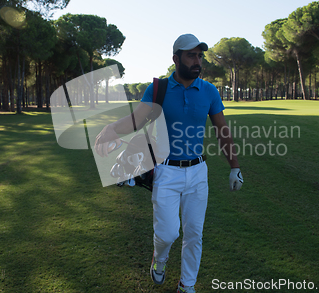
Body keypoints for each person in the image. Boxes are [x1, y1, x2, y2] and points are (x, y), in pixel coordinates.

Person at [95, 34, 244, 293]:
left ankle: (187, 285)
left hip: (198, 172)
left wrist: (235, 167)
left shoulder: (208, 90)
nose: (197, 61)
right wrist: (111, 129)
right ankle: (160, 259)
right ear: (176, 58)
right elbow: (137, 120)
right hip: (166, 170)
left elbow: (223, 130)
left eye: (200, 56)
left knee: (194, 234)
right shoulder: (158, 89)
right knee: (168, 234)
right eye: (191, 55)